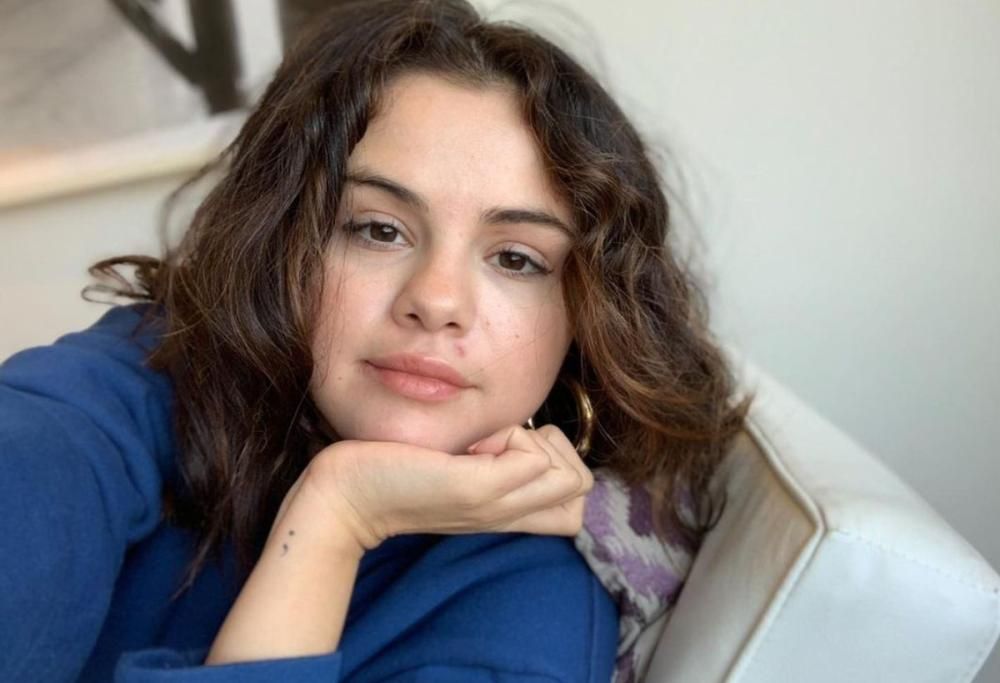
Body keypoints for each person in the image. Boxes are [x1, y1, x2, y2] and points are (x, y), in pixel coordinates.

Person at [0, 0, 753, 680]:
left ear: (587, 322)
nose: (436, 301)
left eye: (517, 259)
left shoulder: (531, 611)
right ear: (282, 243)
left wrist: (338, 517)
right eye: (378, 230)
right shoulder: (118, 390)